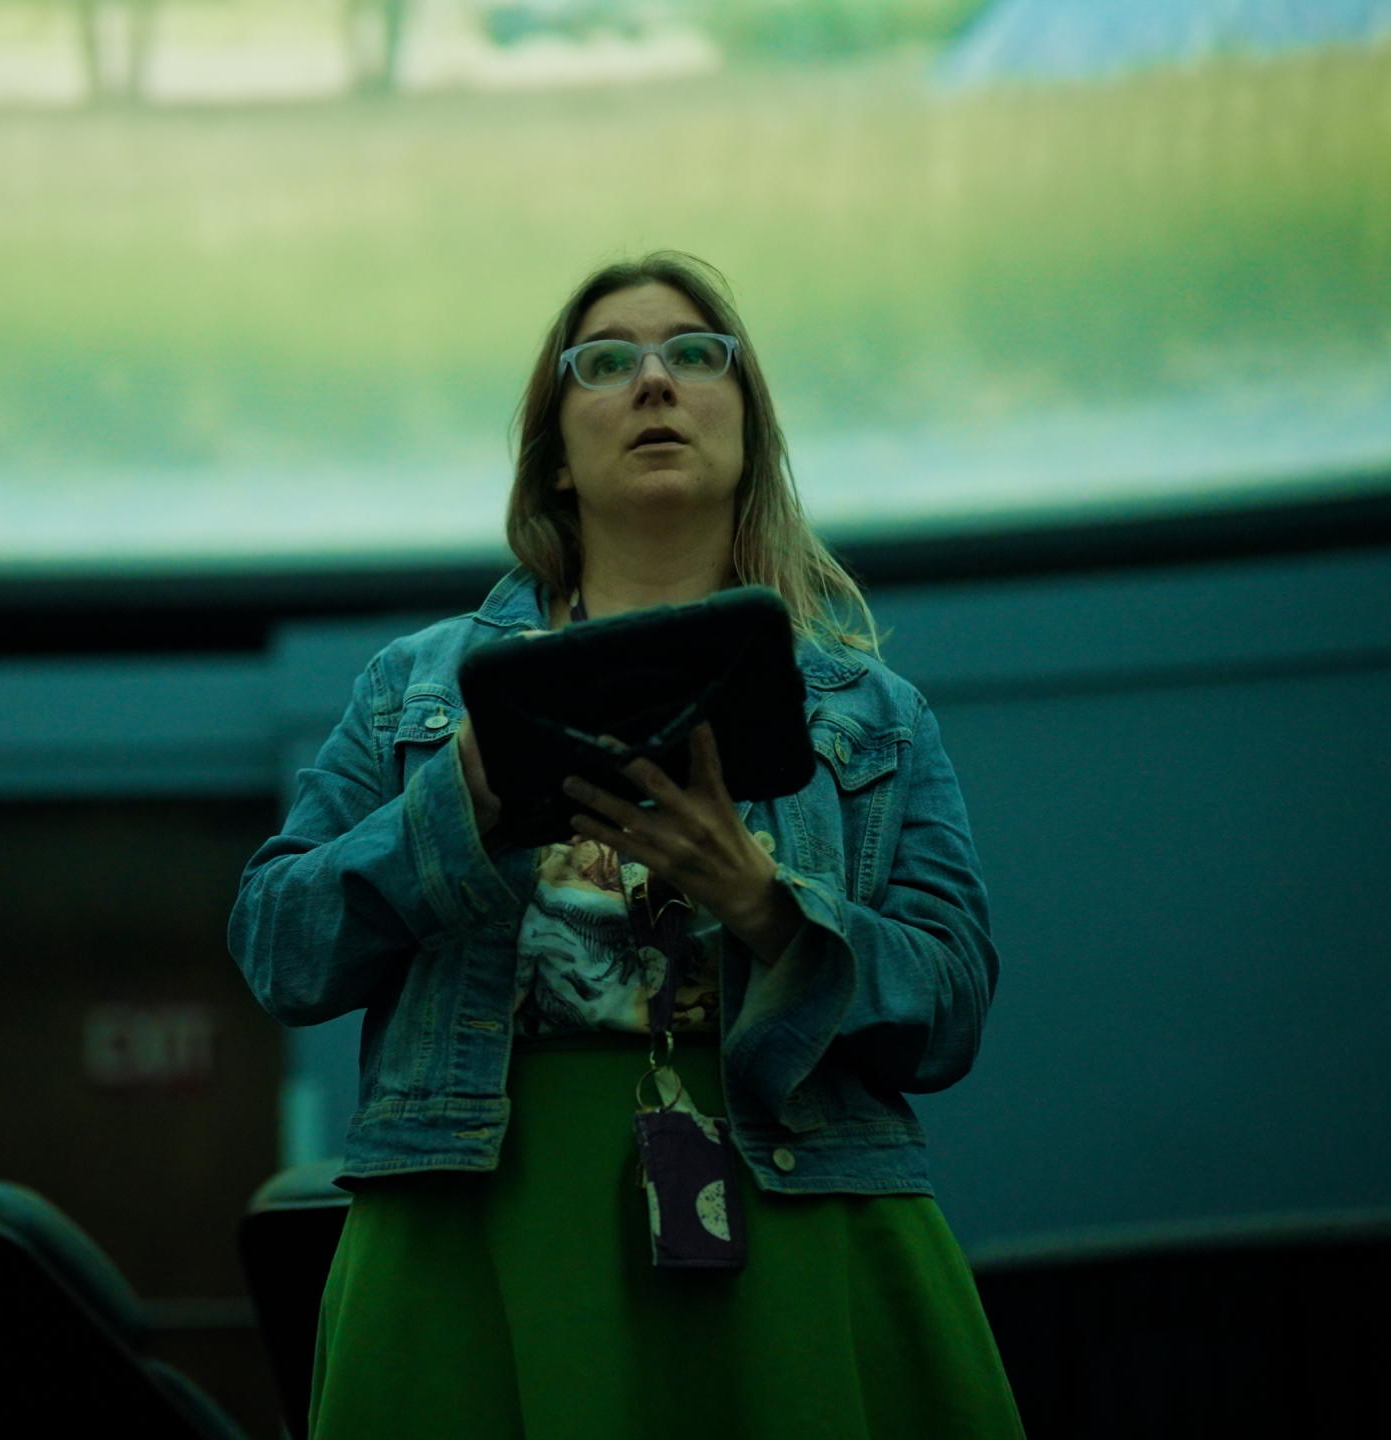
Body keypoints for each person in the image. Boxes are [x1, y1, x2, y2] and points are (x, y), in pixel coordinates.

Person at [227, 252, 1022, 1438]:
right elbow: (276, 950)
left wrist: (764, 904)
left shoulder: (874, 713)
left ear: (746, 425)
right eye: (606, 362)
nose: (655, 382)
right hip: (477, 1225)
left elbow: (950, 1007)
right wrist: (462, 809)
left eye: (696, 355)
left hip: (797, 1205)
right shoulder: (414, 691)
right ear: (556, 450)